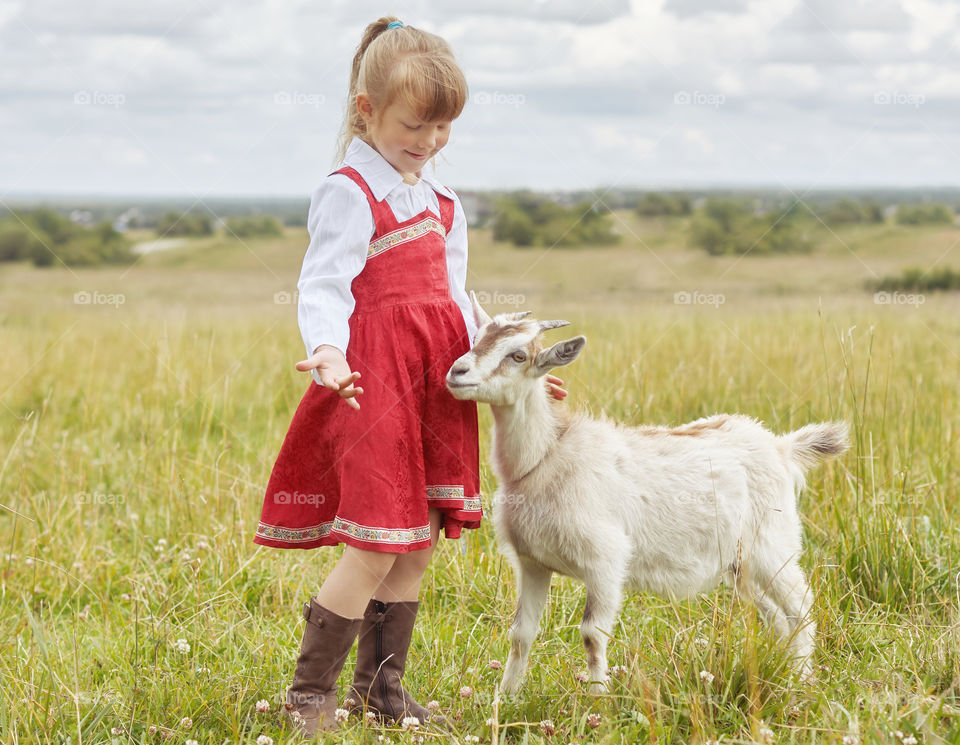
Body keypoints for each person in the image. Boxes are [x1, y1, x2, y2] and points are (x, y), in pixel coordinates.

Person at [252, 16, 567, 736]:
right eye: (415, 125)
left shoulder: (441, 202)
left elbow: (461, 302)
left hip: (435, 385)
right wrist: (328, 350)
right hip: (376, 384)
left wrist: (512, 373)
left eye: (443, 129)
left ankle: (380, 691)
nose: (428, 143)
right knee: (374, 542)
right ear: (367, 111)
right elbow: (323, 283)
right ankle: (309, 697)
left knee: (417, 539)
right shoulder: (349, 191)